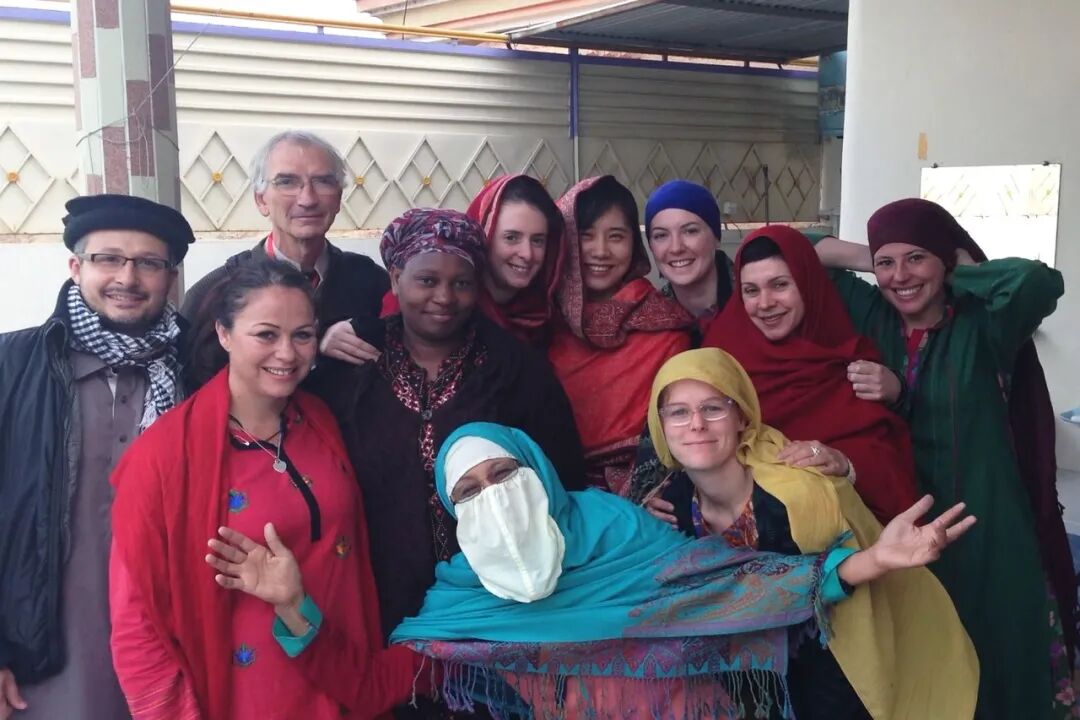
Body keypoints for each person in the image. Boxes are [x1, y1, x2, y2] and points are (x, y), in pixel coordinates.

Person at [208, 419, 976, 720]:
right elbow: (369, 685)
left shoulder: (620, 534)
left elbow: (738, 589)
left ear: (539, 472)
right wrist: (294, 607)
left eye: (505, 474)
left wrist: (870, 560)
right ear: (452, 509)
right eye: (470, 491)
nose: (493, 497)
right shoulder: (462, 603)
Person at [109, 259, 423, 719]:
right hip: (244, 697)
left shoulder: (320, 421)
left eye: (303, 335)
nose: (287, 354)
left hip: (341, 680)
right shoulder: (164, 456)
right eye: (266, 335)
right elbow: (136, 622)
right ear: (224, 334)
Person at [307, 208, 585, 718]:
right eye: (427, 280)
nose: (444, 297)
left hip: (496, 611)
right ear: (395, 277)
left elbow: (563, 480)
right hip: (382, 601)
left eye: (461, 283)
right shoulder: (353, 363)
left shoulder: (514, 368)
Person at [814, 197, 1072, 719]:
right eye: (888, 262)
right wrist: (876, 259)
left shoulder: (984, 327)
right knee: (923, 654)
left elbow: (1037, 282)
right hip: (899, 523)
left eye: (917, 258)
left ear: (945, 260)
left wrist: (957, 270)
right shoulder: (874, 314)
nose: (900, 276)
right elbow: (800, 251)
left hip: (988, 522)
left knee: (1000, 650)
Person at [645, 348, 978, 719]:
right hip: (749, 682)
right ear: (660, 425)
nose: (696, 424)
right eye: (678, 412)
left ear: (741, 417)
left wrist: (877, 558)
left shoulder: (798, 492)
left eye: (713, 408)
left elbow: (817, 581)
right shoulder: (668, 508)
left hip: (836, 661)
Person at [0, 194, 192, 720]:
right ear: (75, 267)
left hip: (167, 654)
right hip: (41, 664)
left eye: (148, 263)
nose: (127, 278)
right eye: (108, 259)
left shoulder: (195, 372)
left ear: (171, 278)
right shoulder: (12, 367)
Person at [687, 225, 919, 524]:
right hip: (736, 537)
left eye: (780, 285)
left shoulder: (852, 364)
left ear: (807, 283)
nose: (765, 303)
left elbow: (889, 470)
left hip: (843, 537)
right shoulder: (720, 360)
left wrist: (844, 463)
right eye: (751, 290)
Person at [181, 130, 389, 388]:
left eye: (323, 181)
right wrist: (314, 346)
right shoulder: (214, 292)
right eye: (287, 182)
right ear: (261, 200)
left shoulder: (371, 283)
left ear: (338, 198)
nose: (307, 199)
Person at [548, 176, 692, 493]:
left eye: (616, 236)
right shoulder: (542, 322)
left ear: (634, 245)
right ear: (565, 241)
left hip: (643, 495)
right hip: (549, 488)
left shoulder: (666, 330)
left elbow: (681, 432)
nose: (601, 251)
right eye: (586, 236)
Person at [465, 174, 566, 346]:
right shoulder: (453, 315)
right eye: (511, 238)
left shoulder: (547, 316)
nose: (527, 254)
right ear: (483, 236)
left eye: (537, 240)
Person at [644, 179, 736, 344]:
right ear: (651, 246)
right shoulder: (649, 323)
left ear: (716, 237)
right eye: (661, 235)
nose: (676, 248)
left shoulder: (756, 302)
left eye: (690, 231)